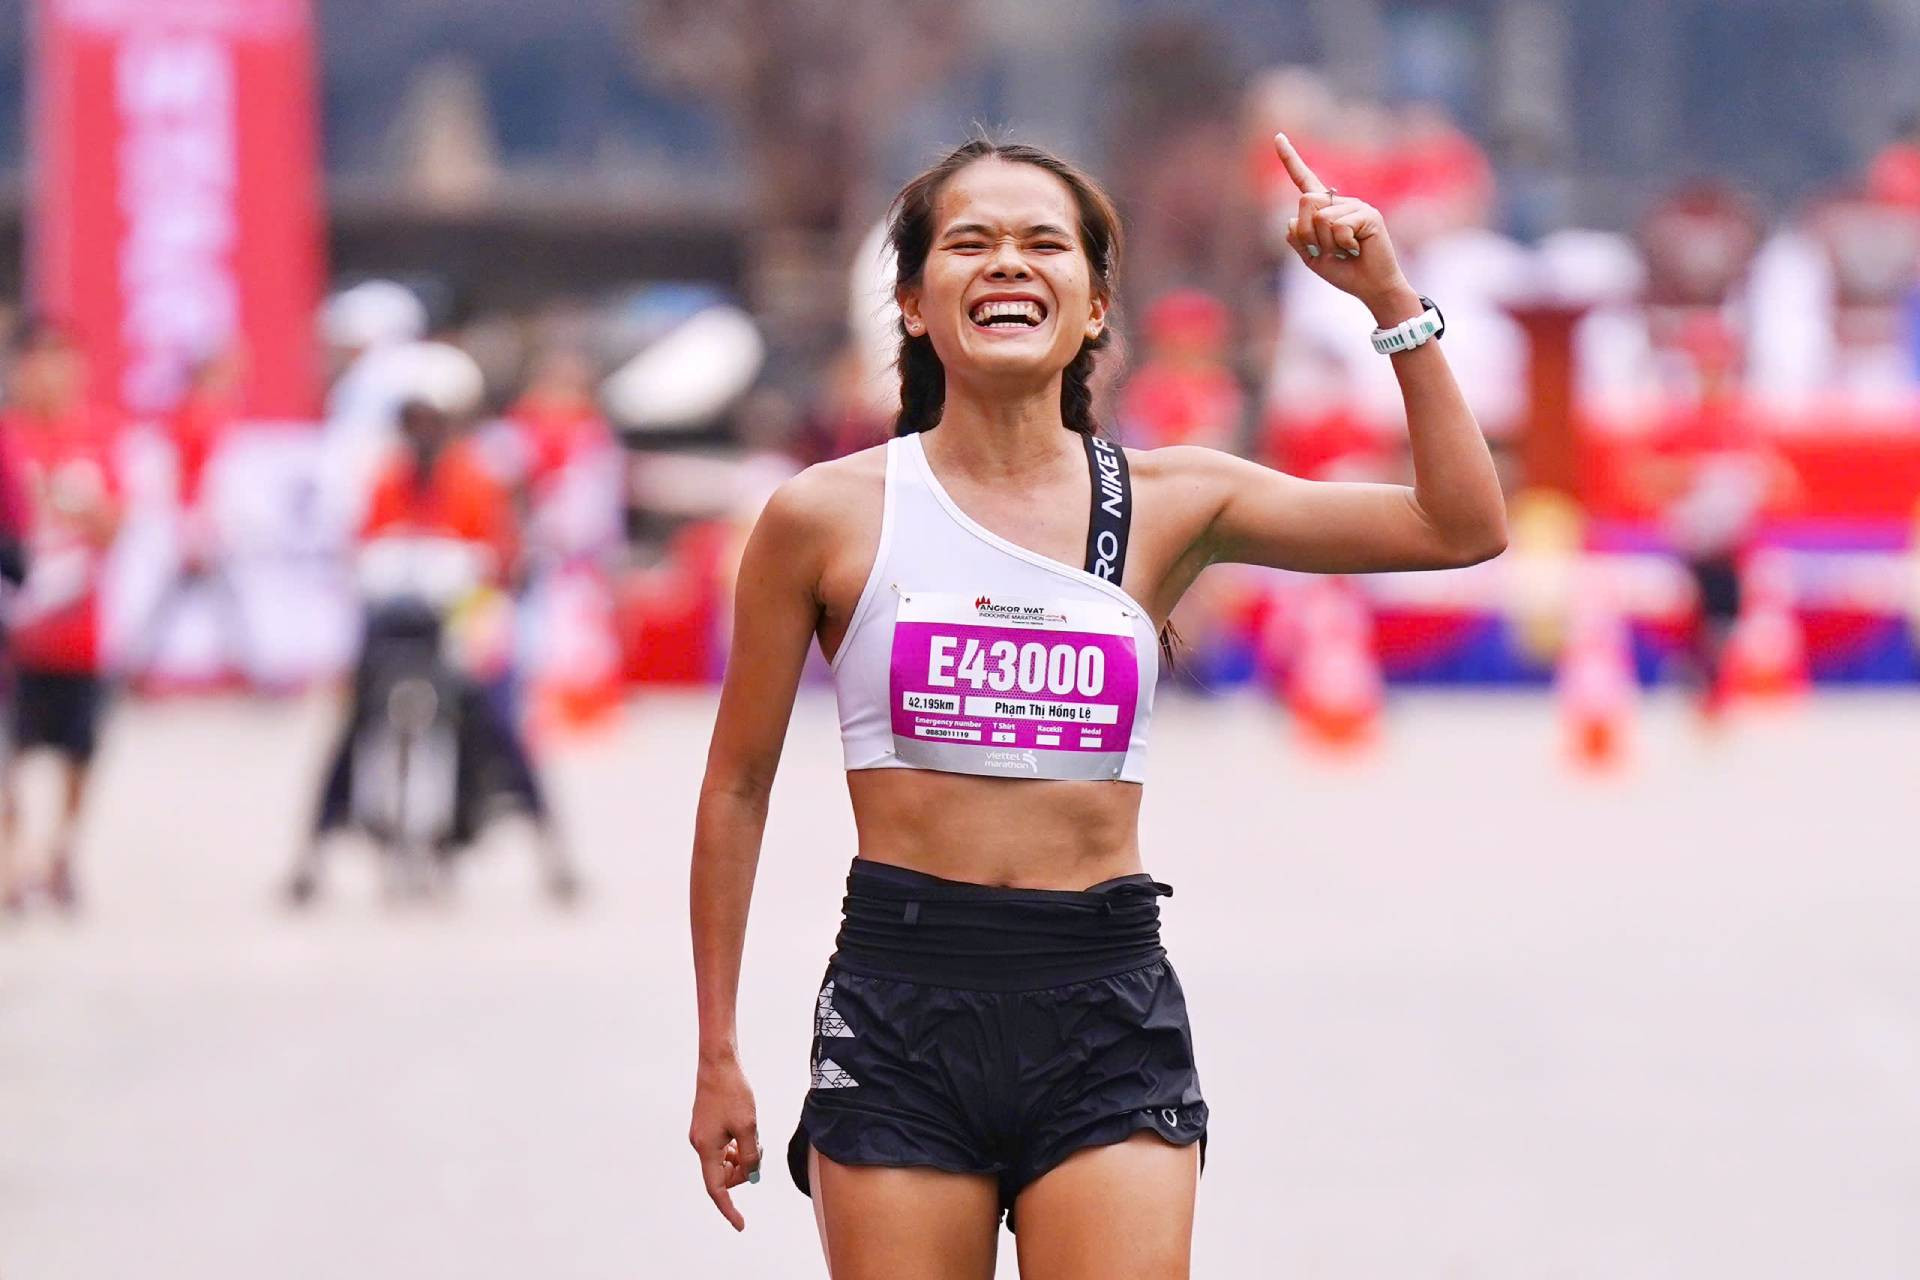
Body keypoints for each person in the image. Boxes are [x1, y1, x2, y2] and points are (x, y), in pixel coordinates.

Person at [688, 135, 1506, 1276]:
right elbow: (737, 786)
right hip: (900, 1000)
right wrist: (717, 1050)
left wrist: (1389, 301)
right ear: (913, 303)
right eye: (970, 243)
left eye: (1044, 243)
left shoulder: (1173, 498)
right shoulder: (825, 516)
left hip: (1104, 1004)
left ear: (1095, 307)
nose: (1007, 263)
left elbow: (1459, 526)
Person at [0, 321, 123, 914]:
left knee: (79, 753)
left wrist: (72, 504)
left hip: (79, 628)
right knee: (10, 752)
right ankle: (14, 858)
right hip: (15, 629)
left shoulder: (97, 435)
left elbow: (116, 523)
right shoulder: (9, 436)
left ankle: (61, 854)